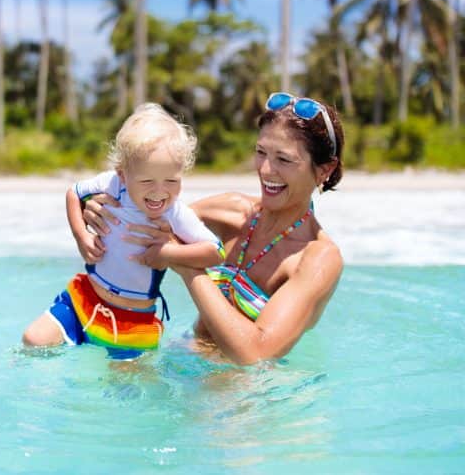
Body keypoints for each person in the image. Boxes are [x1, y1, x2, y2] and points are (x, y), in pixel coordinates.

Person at [84, 92, 345, 365]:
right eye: (261, 153)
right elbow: (145, 222)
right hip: (184, 357)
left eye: (284, 159)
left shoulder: (319, 259)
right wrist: (100, 209)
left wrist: (185, 264)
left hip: (248, 397)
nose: (266, 170)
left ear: (324, 170)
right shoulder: (233, 212)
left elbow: (255, 354)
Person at [21, 103, 223, 359]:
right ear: (123, 175)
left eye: (171, 180)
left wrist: (168, 252)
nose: (160, 191)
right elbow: (74, 192)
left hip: (132, 321)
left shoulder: (174, 212)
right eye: (147, 181)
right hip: (85, 300)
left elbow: (216, 251)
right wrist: (81, 235)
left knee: (125, 389)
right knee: (33, 339)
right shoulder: (112, 184)